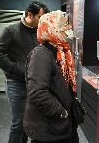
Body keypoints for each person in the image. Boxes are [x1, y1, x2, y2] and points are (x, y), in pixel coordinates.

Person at [0, 1, 49, 143]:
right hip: (16, 84)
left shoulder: (40, 32)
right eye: (40, 18)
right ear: (30, 14)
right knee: (19, 123)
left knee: (31, 121)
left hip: (36, 84)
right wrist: (16, 69)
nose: (42, 22)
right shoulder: (11, 30)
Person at [23, 10, 79, 143]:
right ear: (52, 27)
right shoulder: (41, 54)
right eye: (64, 25)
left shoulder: (61, 52)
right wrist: (62, 113)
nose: (69, 28)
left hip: (60, 127)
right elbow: (37, 93)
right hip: (49, 128)